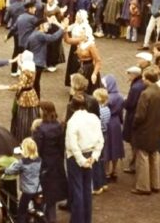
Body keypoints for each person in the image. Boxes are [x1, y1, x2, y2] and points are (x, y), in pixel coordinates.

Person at [65, 93, 104, 223]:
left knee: (77, 190)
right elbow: (100, 139)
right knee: (87, 189)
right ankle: (87, 219)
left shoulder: (72, 121)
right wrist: (94, 157)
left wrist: (81, 160)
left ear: (72, 106)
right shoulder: (94, 118)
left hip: (76, 158)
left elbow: (73, 144)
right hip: (90, 155)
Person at [132, 68, 160, 195]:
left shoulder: (145, 94)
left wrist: (134, 125)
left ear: (148, 79)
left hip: (144, 129)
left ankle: (143, 186)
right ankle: (155, 184)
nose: (142, 79)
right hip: (157, 127)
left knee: (143, 157)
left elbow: (140, 115)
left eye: (144, 78)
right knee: (155, 155)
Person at [32, 101, 68, 223]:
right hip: (56, 164)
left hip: (44, 166)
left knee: (40, 196)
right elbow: (61, 147)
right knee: (51, 198)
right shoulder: (59, 126)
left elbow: (37, 150)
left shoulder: (40, 129)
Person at [0, 58, 40, 143]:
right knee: (32, 116)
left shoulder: (25, 73)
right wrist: (19, 61)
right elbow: (21, 66)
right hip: (32, 95)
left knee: (23, 120)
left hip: (24, 97)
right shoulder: (32, 70)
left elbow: (20, 85)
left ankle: (22, 139)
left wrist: (6, 87)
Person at [3, 138, 42, 223]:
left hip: (27, 191)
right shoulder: (39, 160)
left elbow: (11, 171)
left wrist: (1, 170)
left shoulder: (22, 162)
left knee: (22, 211)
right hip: (38, 189)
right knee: (38, 211)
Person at [102, 75, 126, 181]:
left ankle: (106, 172)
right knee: (116, 146)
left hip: (108, 122)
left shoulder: (107, 98)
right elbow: (121, 111)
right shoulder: (120, 96)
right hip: (116, 123)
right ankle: (114, 171)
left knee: (107, 147)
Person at [122, 66, 144, 173]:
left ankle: (134, 164)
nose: (128, 76)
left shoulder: (135, 87)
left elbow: (130, 104)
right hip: (135, 113)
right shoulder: (140, 84)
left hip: (132, 116)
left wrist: (124, 101)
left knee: (133, 142)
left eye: (129, 74)